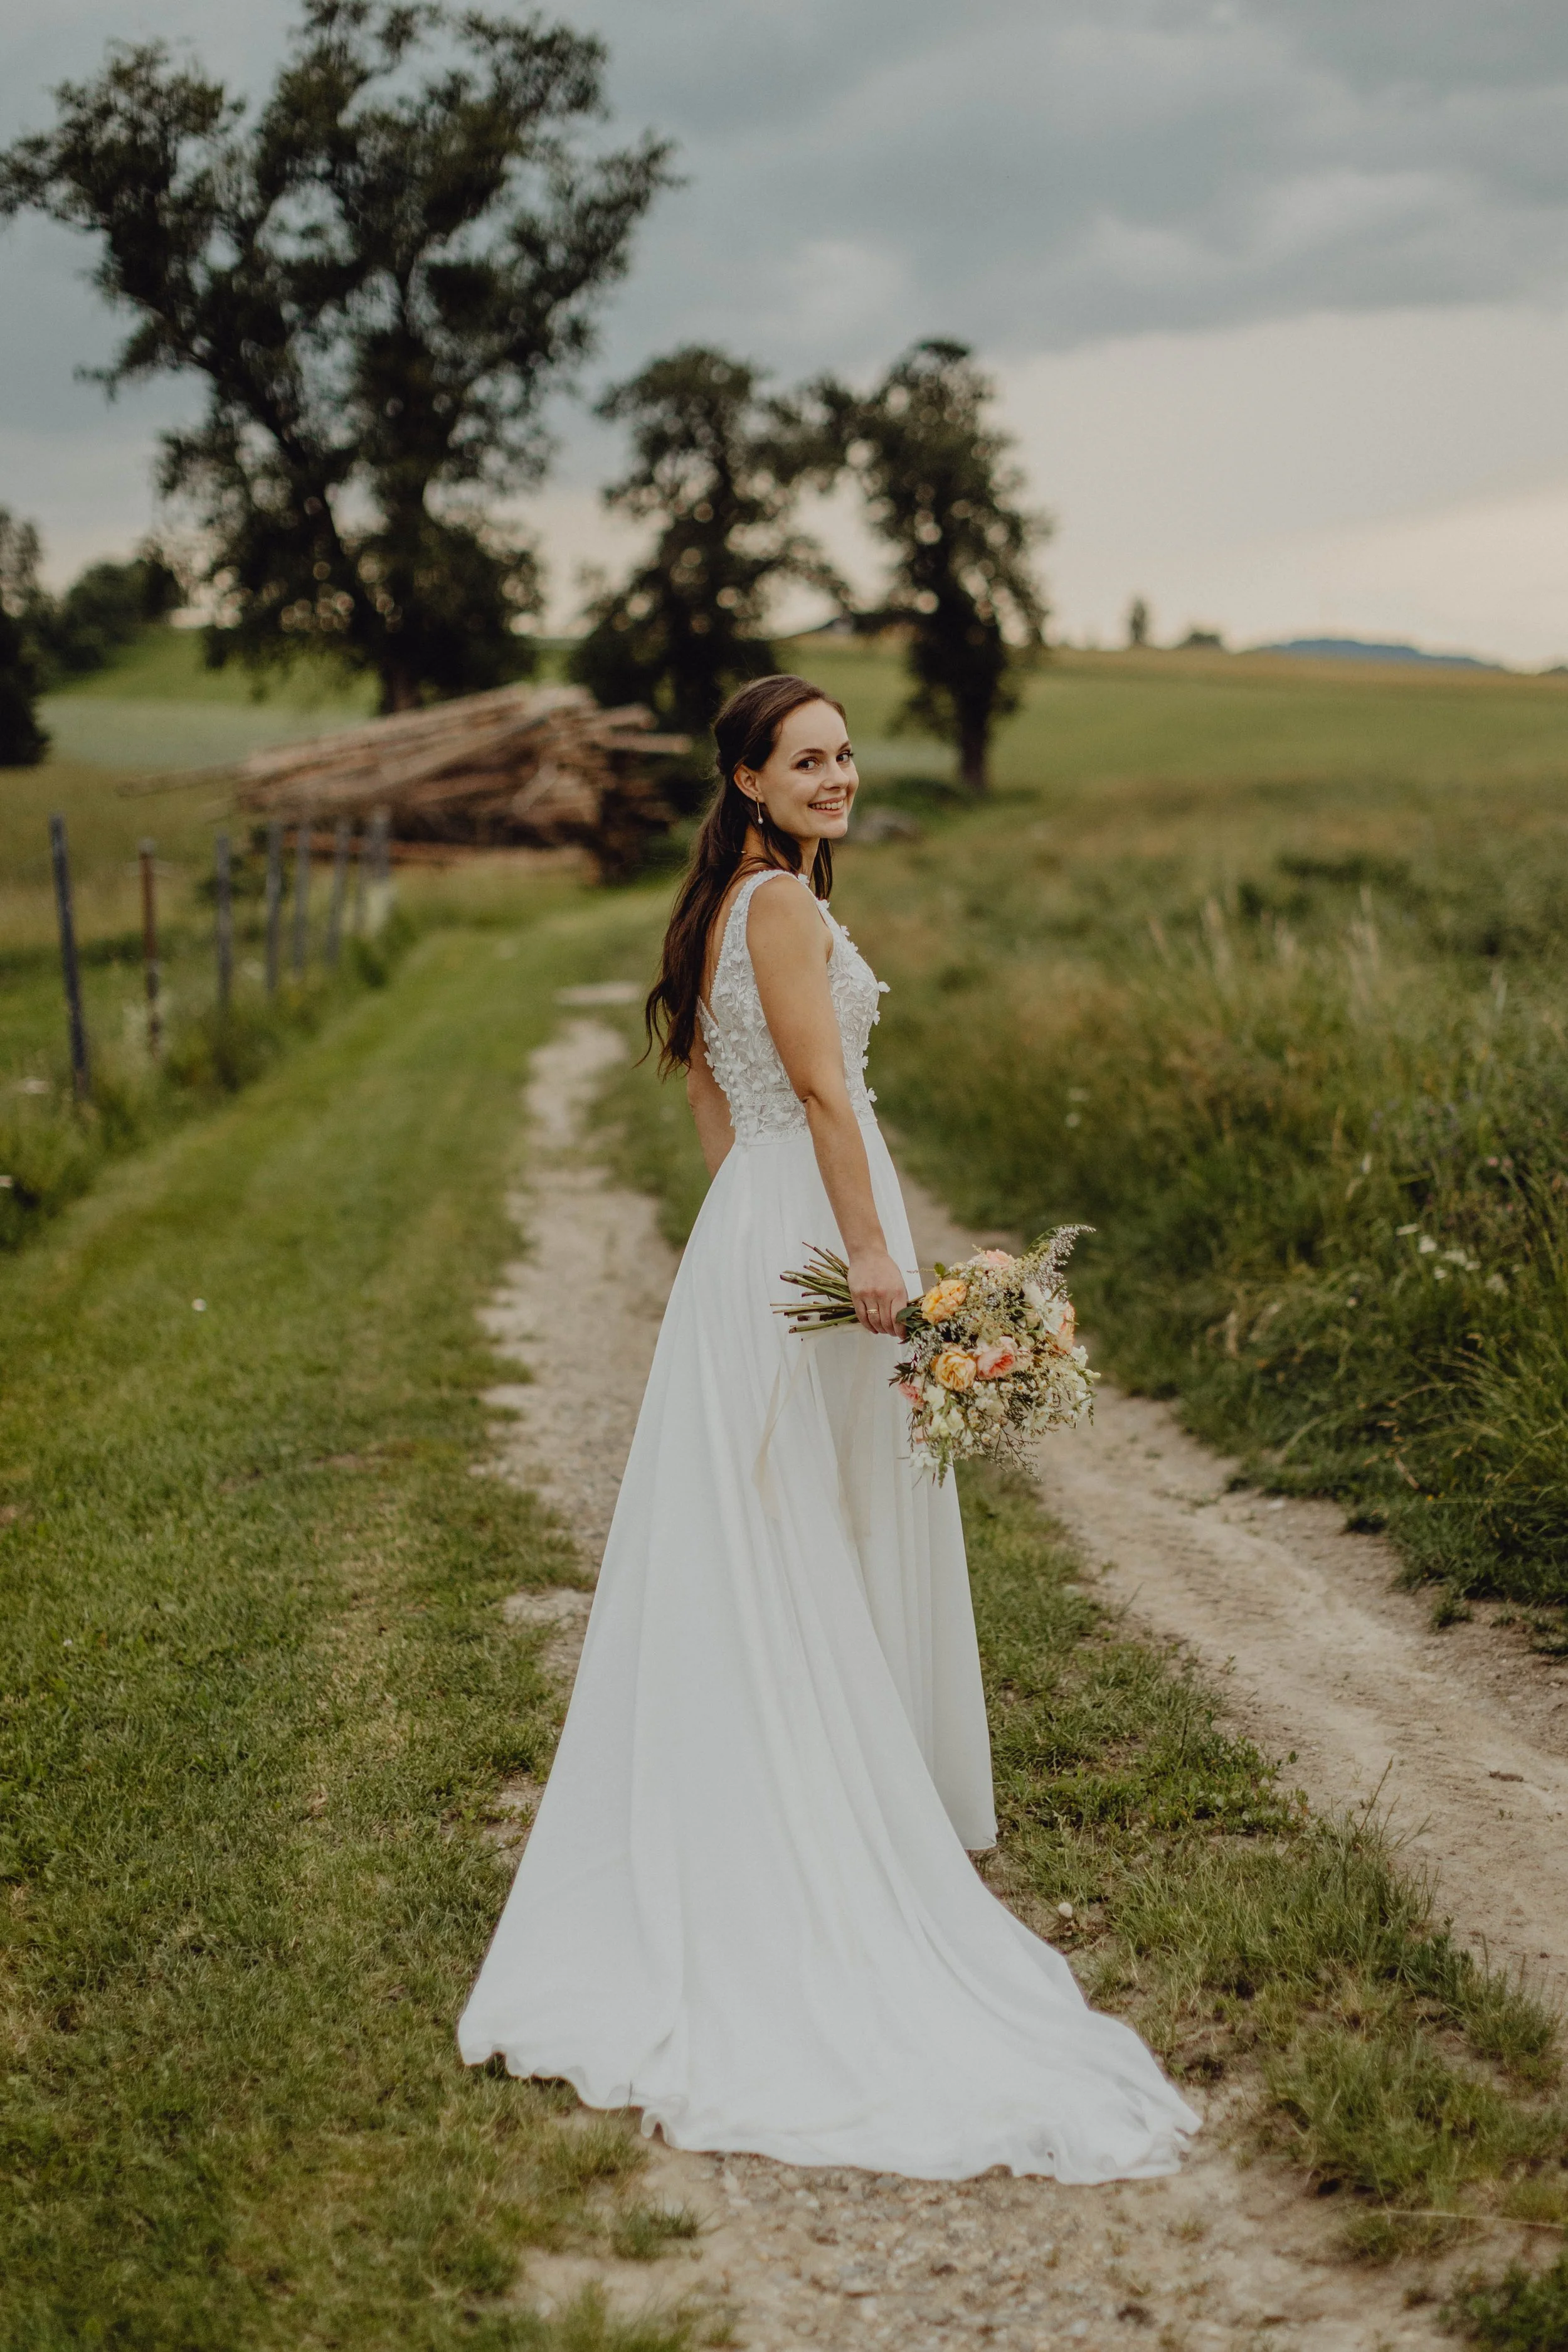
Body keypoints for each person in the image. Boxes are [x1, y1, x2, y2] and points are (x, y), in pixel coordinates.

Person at [458, 674, 1198, 2180]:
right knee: (813, 1506)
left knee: (777, 1508)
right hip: (813, 1228)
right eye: (807, 759)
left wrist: (759, 1219)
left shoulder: (729, 907)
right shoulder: (778, 910)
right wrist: (869, 1252)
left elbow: (714, 1107)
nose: (837, 774)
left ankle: (817, 1766)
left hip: (756, 1223)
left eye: (846, 754)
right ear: (743, 776)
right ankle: (831, 1796)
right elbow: (815, 1086)